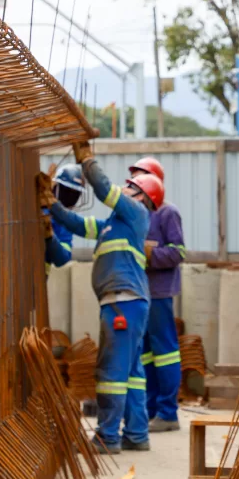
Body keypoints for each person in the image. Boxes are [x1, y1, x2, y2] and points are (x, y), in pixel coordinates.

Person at [37, 141, 165, 454]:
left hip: (123, 302)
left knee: (111, 372)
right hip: (129, 302)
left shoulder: (135, 213)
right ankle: (136, 435)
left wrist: (86, 160)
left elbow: (104, 188)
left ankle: (107, 438)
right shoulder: (113, 225)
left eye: (132, 188)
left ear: (143, 196)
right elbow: (77, 223)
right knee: (132, 374)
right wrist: (51, 205)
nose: (126, 190)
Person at [128, 157, 185, 432]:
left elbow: (178, 252)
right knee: (147, 355)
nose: (135, 185)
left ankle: (168, 412)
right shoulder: (136, 213)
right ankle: (151, 410)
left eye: (141, 178)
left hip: (160, 294)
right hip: (141, 293)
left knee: (165, 353)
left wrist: (150, 254)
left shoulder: (167, 212)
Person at [40, 164, 85, 277]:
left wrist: (50, 236)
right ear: (55, 188)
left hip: (39, 279)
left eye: (74, 195)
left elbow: (63, 259)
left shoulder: (65, 222)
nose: (70, 198)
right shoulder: (37, 206)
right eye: (67, 192)